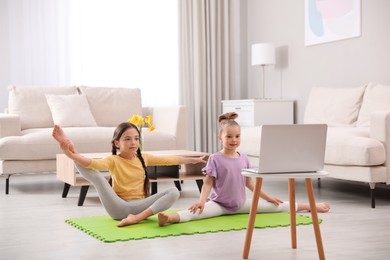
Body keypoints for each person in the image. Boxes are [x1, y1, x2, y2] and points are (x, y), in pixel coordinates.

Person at [158, 112, 330, 226]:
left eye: (237, 136)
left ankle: (311, 206)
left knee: (278, 205)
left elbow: (251, 184)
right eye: (229, 136)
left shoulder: (244, 158)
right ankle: (170, 218)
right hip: (219, 205)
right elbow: (208, 183)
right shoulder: (215, 159)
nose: (234, 140)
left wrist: (268, 197)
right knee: (196, 212)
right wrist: (202, 201)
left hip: (241, 204)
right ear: (221, 137)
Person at [52, 122, 206, 227]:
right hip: (118, 207)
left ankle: (136, 219)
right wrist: (72, 154)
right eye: (127, 139)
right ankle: (69, 148)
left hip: (139, 208)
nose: (133, 142)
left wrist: (193, 160)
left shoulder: (143, 158)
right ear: (117, 143)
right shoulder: (113, 160)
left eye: (136, 139)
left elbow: (169, 159)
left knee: (173, 192)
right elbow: (92, 164)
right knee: (98, 177)